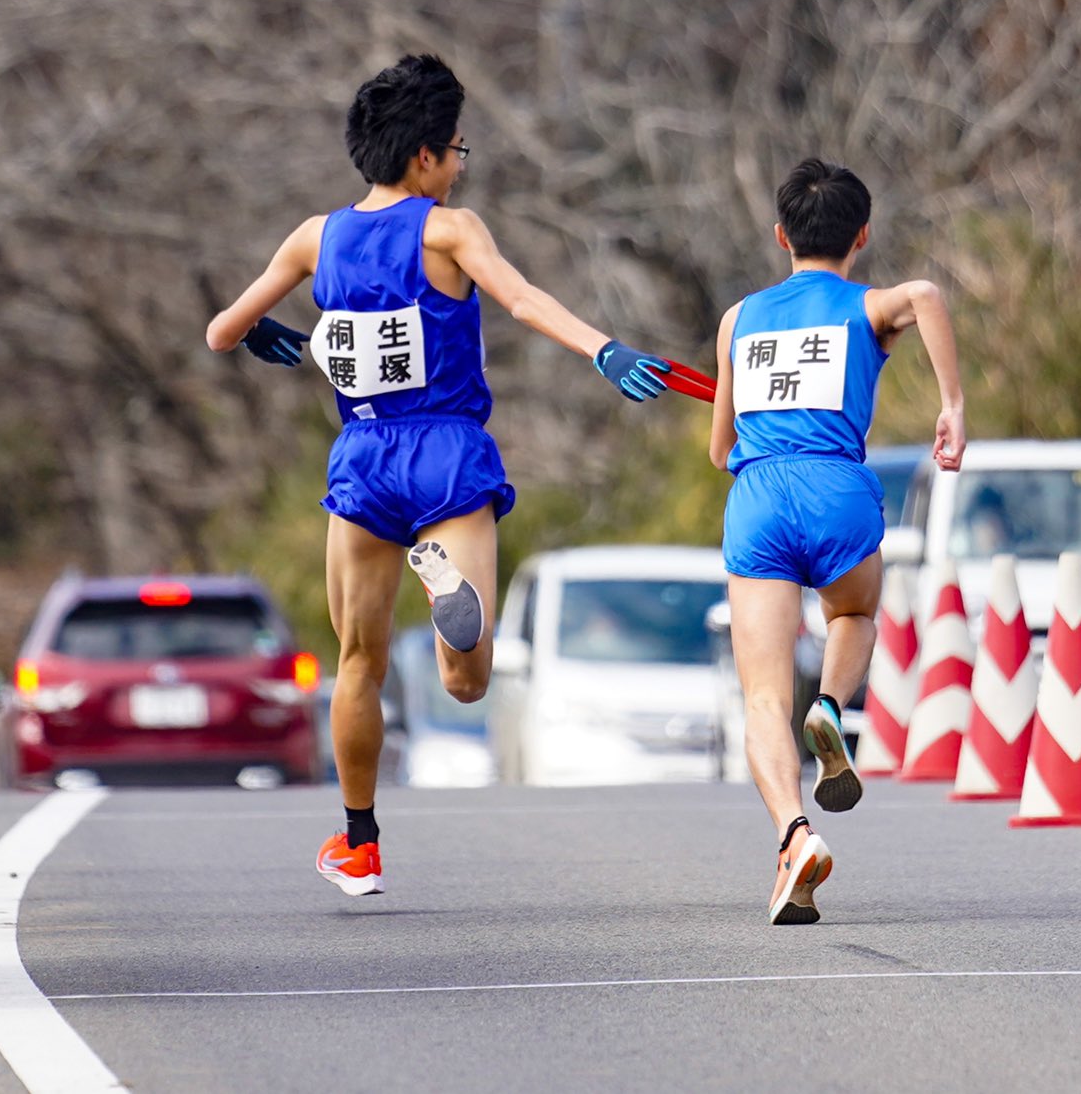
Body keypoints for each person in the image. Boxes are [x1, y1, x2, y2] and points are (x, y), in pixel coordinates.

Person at [206, 54, 673, 897]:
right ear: (424, 155)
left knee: (359, 661)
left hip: (363, 460)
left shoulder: (316, 237)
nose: (461, 166)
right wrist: (603, 348)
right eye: (459, 149)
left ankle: (359, 843)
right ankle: (445, 580)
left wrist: (260, 333)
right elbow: (524, 300)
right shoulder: (449, 231)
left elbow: (219, 331)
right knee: (468, 681)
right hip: (447, 455)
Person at [708, 158, 965, 924]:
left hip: (758, 497)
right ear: (862, 235)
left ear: (782, 234)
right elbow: (924, 295)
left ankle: (793, 835)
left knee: (761, 697)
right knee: (851, 617)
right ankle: (831, 705)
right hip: (837, 489)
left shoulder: (739, 318)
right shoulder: (867, 306)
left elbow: (719, 451)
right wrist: (952, 404)